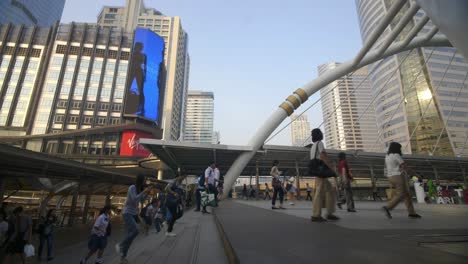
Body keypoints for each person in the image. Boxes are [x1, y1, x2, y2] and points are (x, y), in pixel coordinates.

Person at [115, 174, 153, 264]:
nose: (145, 181)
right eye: (144, 180)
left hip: (134, 214)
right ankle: (120, 245)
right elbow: (134, 200)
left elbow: (141, 200)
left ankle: (123, 257)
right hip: (127, 213)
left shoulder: (139, 189)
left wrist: (147, 192)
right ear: (140, 180)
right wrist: (144, 192)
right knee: (136, 230)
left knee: (131, 237)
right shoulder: (132, 187)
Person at [382, 142, 421, 219]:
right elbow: (404, 167)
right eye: (399, 148)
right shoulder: (396, 155)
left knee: (406, 194)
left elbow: (386, 168)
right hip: (397, 176)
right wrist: (416, 174)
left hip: (390, 177)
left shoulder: (387, 156)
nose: (400, 149)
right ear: (396, 148)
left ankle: (412, 213)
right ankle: (388, 207)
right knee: (401, 194)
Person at [310, 128, 339, 222]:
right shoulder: (320, 143)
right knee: (319, 192)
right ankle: (316, 215)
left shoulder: (313, 145)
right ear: (319, 134)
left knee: (330, 190)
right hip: (321, 171)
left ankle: (329, 212)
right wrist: (331, 168)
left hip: (317, 170)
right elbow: (323, 156)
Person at [126, 42, 147, 115]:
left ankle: (141, 107)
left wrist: (144, 75)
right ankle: (128, 105)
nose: (139, 48)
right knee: (128, 88)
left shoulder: (143, 56)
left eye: (140, 47)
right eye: (138, 47)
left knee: (140, 90)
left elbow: (144, 66)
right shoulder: (132, 54)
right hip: (132, 71)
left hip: (139, 72)